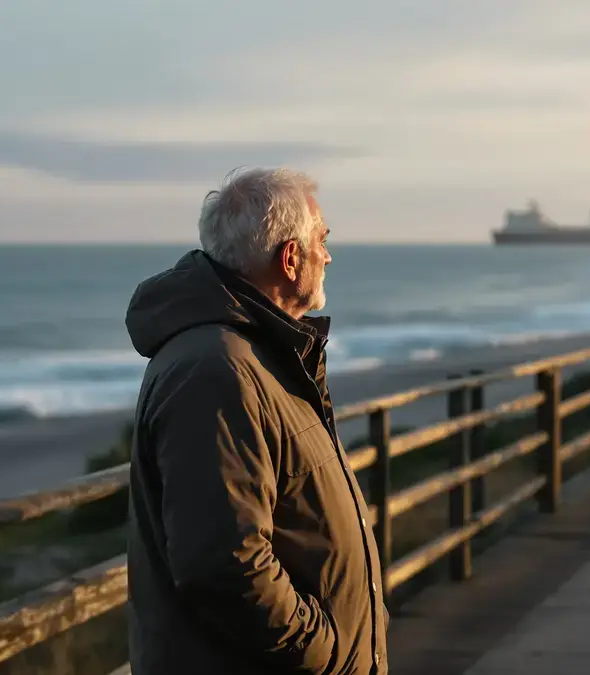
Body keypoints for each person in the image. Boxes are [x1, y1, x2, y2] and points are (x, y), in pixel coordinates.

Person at [124, 167, 388, 674]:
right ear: (290, 258)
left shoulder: (262, 354)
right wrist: (325, 651)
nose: (328, 256)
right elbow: (224, 564)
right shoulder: (217, 370)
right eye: (322, 240)